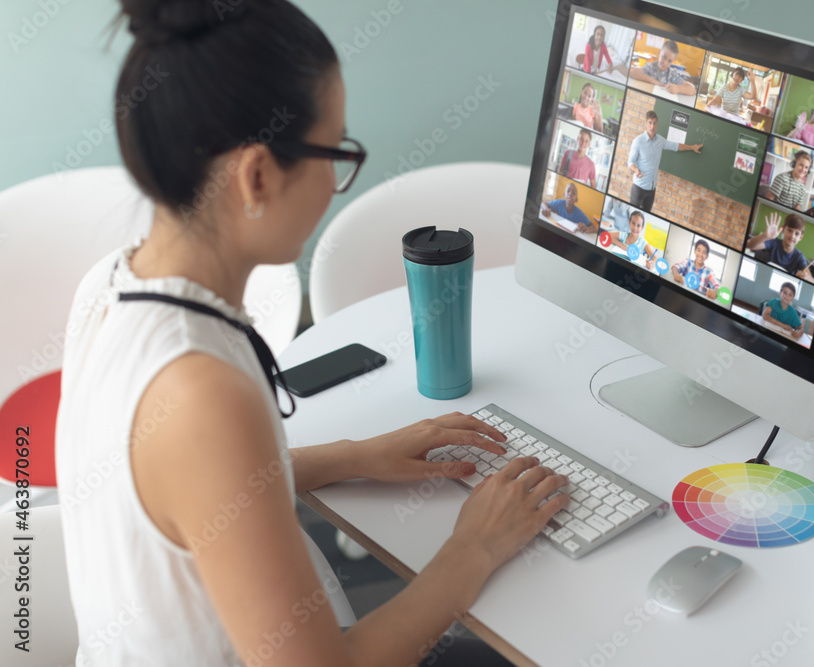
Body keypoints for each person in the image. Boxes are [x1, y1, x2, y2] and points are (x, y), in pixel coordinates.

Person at [56, 2, 570, 666]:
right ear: (258, 174)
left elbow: (196, 490)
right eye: (335, 152)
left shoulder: (108, 285)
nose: (335, 182)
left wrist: (357, 454)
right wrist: (476, 547)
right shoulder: (202, 392)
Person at [627, 110, 703, 212]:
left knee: (645, 217)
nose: (652, 126)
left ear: (657, 124)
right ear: (646, 124)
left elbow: (676, 146)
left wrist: (692, 147)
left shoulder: (660, 141)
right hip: (639, 188)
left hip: (651, 190)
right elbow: (630, 162)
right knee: (633, 214)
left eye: (654, 123)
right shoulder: (638, 141)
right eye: (650, 123)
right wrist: (635, 169)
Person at [746, 212, 814, 283]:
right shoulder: (774, 242)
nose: (792, 236)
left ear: (800, 237)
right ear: (783, 229)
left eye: (797, 233)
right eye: (789, 230)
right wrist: (765, 236)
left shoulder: (799, 257)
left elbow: (813, 282)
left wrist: (807, 277)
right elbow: (748, 245)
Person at [628, 41, 696, 95]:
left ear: (673, 61)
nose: (665, 63)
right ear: (659, 53)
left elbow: (693, 90)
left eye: (669, 61)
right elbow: (632, 73)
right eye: (664, 57)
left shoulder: (672, 74)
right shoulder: (651, 67)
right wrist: (652, 80)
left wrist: (678, 89)